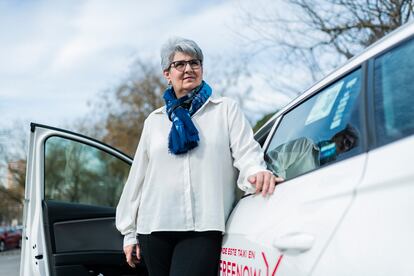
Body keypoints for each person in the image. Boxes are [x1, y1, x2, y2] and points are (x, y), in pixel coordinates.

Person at [115, 37, 283, 276]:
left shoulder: (224, 109)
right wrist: (129, 232)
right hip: (154, 228)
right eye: (180, 64)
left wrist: (256, 172)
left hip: (203, 225)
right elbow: (138, 177)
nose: (188, 69)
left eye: (195, 62)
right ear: (167, 73)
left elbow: (246, 151)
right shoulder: (154, 120)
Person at [266, 124, 359, 179]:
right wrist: (282, 187)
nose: (343, 142)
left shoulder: (332, 173)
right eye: (344, 137)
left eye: (348, 143)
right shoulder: (305, 146)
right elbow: (274, 161)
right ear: (337, 135)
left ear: (347, 151)